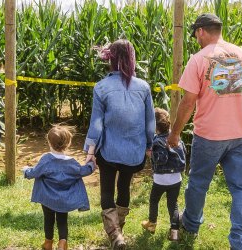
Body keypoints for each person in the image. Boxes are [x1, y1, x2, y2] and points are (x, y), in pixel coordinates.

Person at [167, 13, 242, 250]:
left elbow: (188, 102)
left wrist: (174, 133)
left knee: (199, 183)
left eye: (195, 35)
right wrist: (241, 108)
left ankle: (190, 224)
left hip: (210, 136)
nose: (196, 39)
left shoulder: (199, 59)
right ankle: (240, 243)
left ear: (201, 31)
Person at [84, 39, 155, 250]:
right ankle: (120, 230)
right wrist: (149, 145)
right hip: (133, 153)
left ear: (111, 59)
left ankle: (115, 235)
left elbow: (96, 122)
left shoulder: (102, 87)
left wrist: (90, 151)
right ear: (131, 58)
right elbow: (149, 122)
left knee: (106, 189)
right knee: (124, 186)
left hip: (108, 151)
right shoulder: (143, 87)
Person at [22, 125, 95, 250]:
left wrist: (26, 171)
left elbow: (35, 172)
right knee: (62, 220)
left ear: (49, 142)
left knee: (48, 219)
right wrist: (91, 164)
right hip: (64, 199)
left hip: (47, 198)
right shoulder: (71, 162)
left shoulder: (46, 159)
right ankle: (62, 243)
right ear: (68, 143)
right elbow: (83, 171)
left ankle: (48, 243)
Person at [141, 108, 186, 241]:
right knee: (173, 204)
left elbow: (161, 159)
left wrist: (150, 154)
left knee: (154, 200)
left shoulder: (158, 141)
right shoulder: (176, 137)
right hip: (176, 179)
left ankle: (152, 224)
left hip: (161, 179)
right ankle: (174, 232)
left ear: (155, 127)